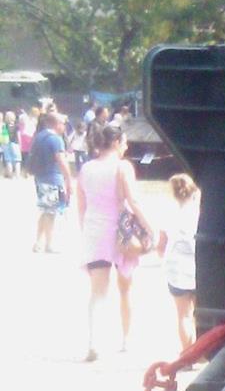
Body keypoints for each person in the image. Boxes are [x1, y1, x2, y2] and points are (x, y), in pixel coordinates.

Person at [75, 120, 156, 360]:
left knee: (97, 291)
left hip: (94, 231)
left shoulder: (86, 168)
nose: (126, 147)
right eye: (125, 142)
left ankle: (94, 342)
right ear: (118, 142)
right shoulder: (123, 167)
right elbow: (133, 201)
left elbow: (81, 205)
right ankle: (126, 339)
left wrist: (84, 229)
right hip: (122, 233)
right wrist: (151, 228)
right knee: (125, 288)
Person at [161, 173, 200, 351]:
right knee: (200, 313)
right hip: (199, 267)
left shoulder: (169, 212)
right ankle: (201, 351)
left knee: (183, 315)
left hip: (176, 269)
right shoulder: (199, 212)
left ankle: (187, 352)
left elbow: (161, 244)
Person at [29, 108, 71, 253]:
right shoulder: (56, 139)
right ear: (56, 123)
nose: (64, 126)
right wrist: (68, 179)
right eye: (63, 123)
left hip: (40, 178)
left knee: (45, 210)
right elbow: (61, 160)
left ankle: (38, 242)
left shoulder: (39, 136)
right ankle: (48, 244)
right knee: (50, 213)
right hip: (52, 178)